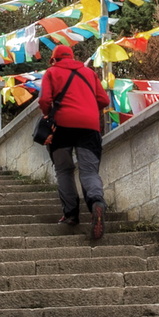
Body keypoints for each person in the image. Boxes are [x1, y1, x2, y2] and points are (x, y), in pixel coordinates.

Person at [37, 45, 111, 240]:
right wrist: (87, 109)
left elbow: (44, 99)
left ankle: (70, 215)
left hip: (61, 127)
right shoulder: (89, 73)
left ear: (53, 59)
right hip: (89, 126)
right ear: (72, 57)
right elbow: (103, 100)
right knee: (89, 171)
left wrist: (47, 115)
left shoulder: (51, 72)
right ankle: (97, 203)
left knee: (64, 170)